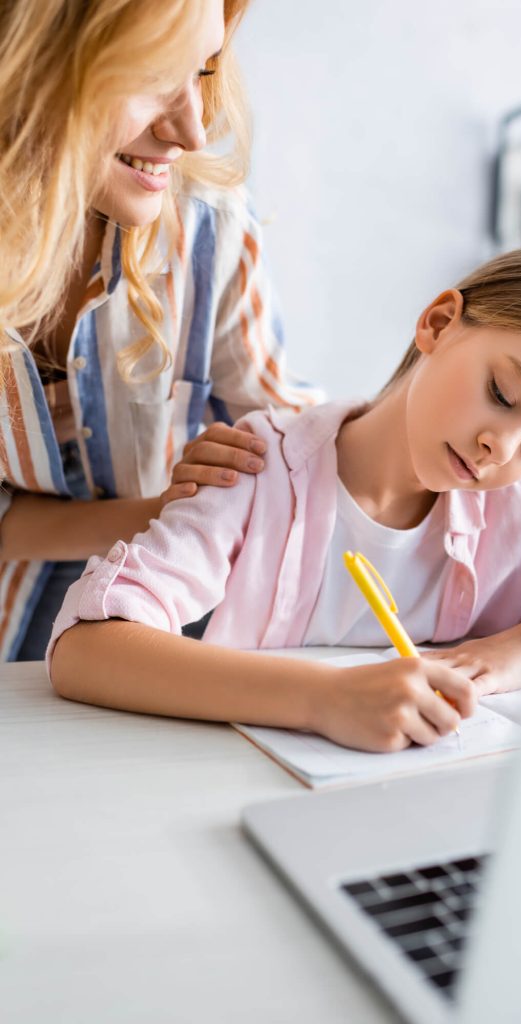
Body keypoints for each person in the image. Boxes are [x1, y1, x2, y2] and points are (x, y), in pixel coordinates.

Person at [48, 246, 521, 753]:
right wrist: (323, 699)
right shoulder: (257, 468)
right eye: (502, 395)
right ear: (438, 322)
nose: (498, 449)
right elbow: (84, 648)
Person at [0, 0, 320, 661]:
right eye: (152, 73)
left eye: (202, 72)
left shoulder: (210, 227)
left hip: (161, 639)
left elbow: (289, 435)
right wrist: (166, 507)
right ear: (32, 68)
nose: (192, 132)